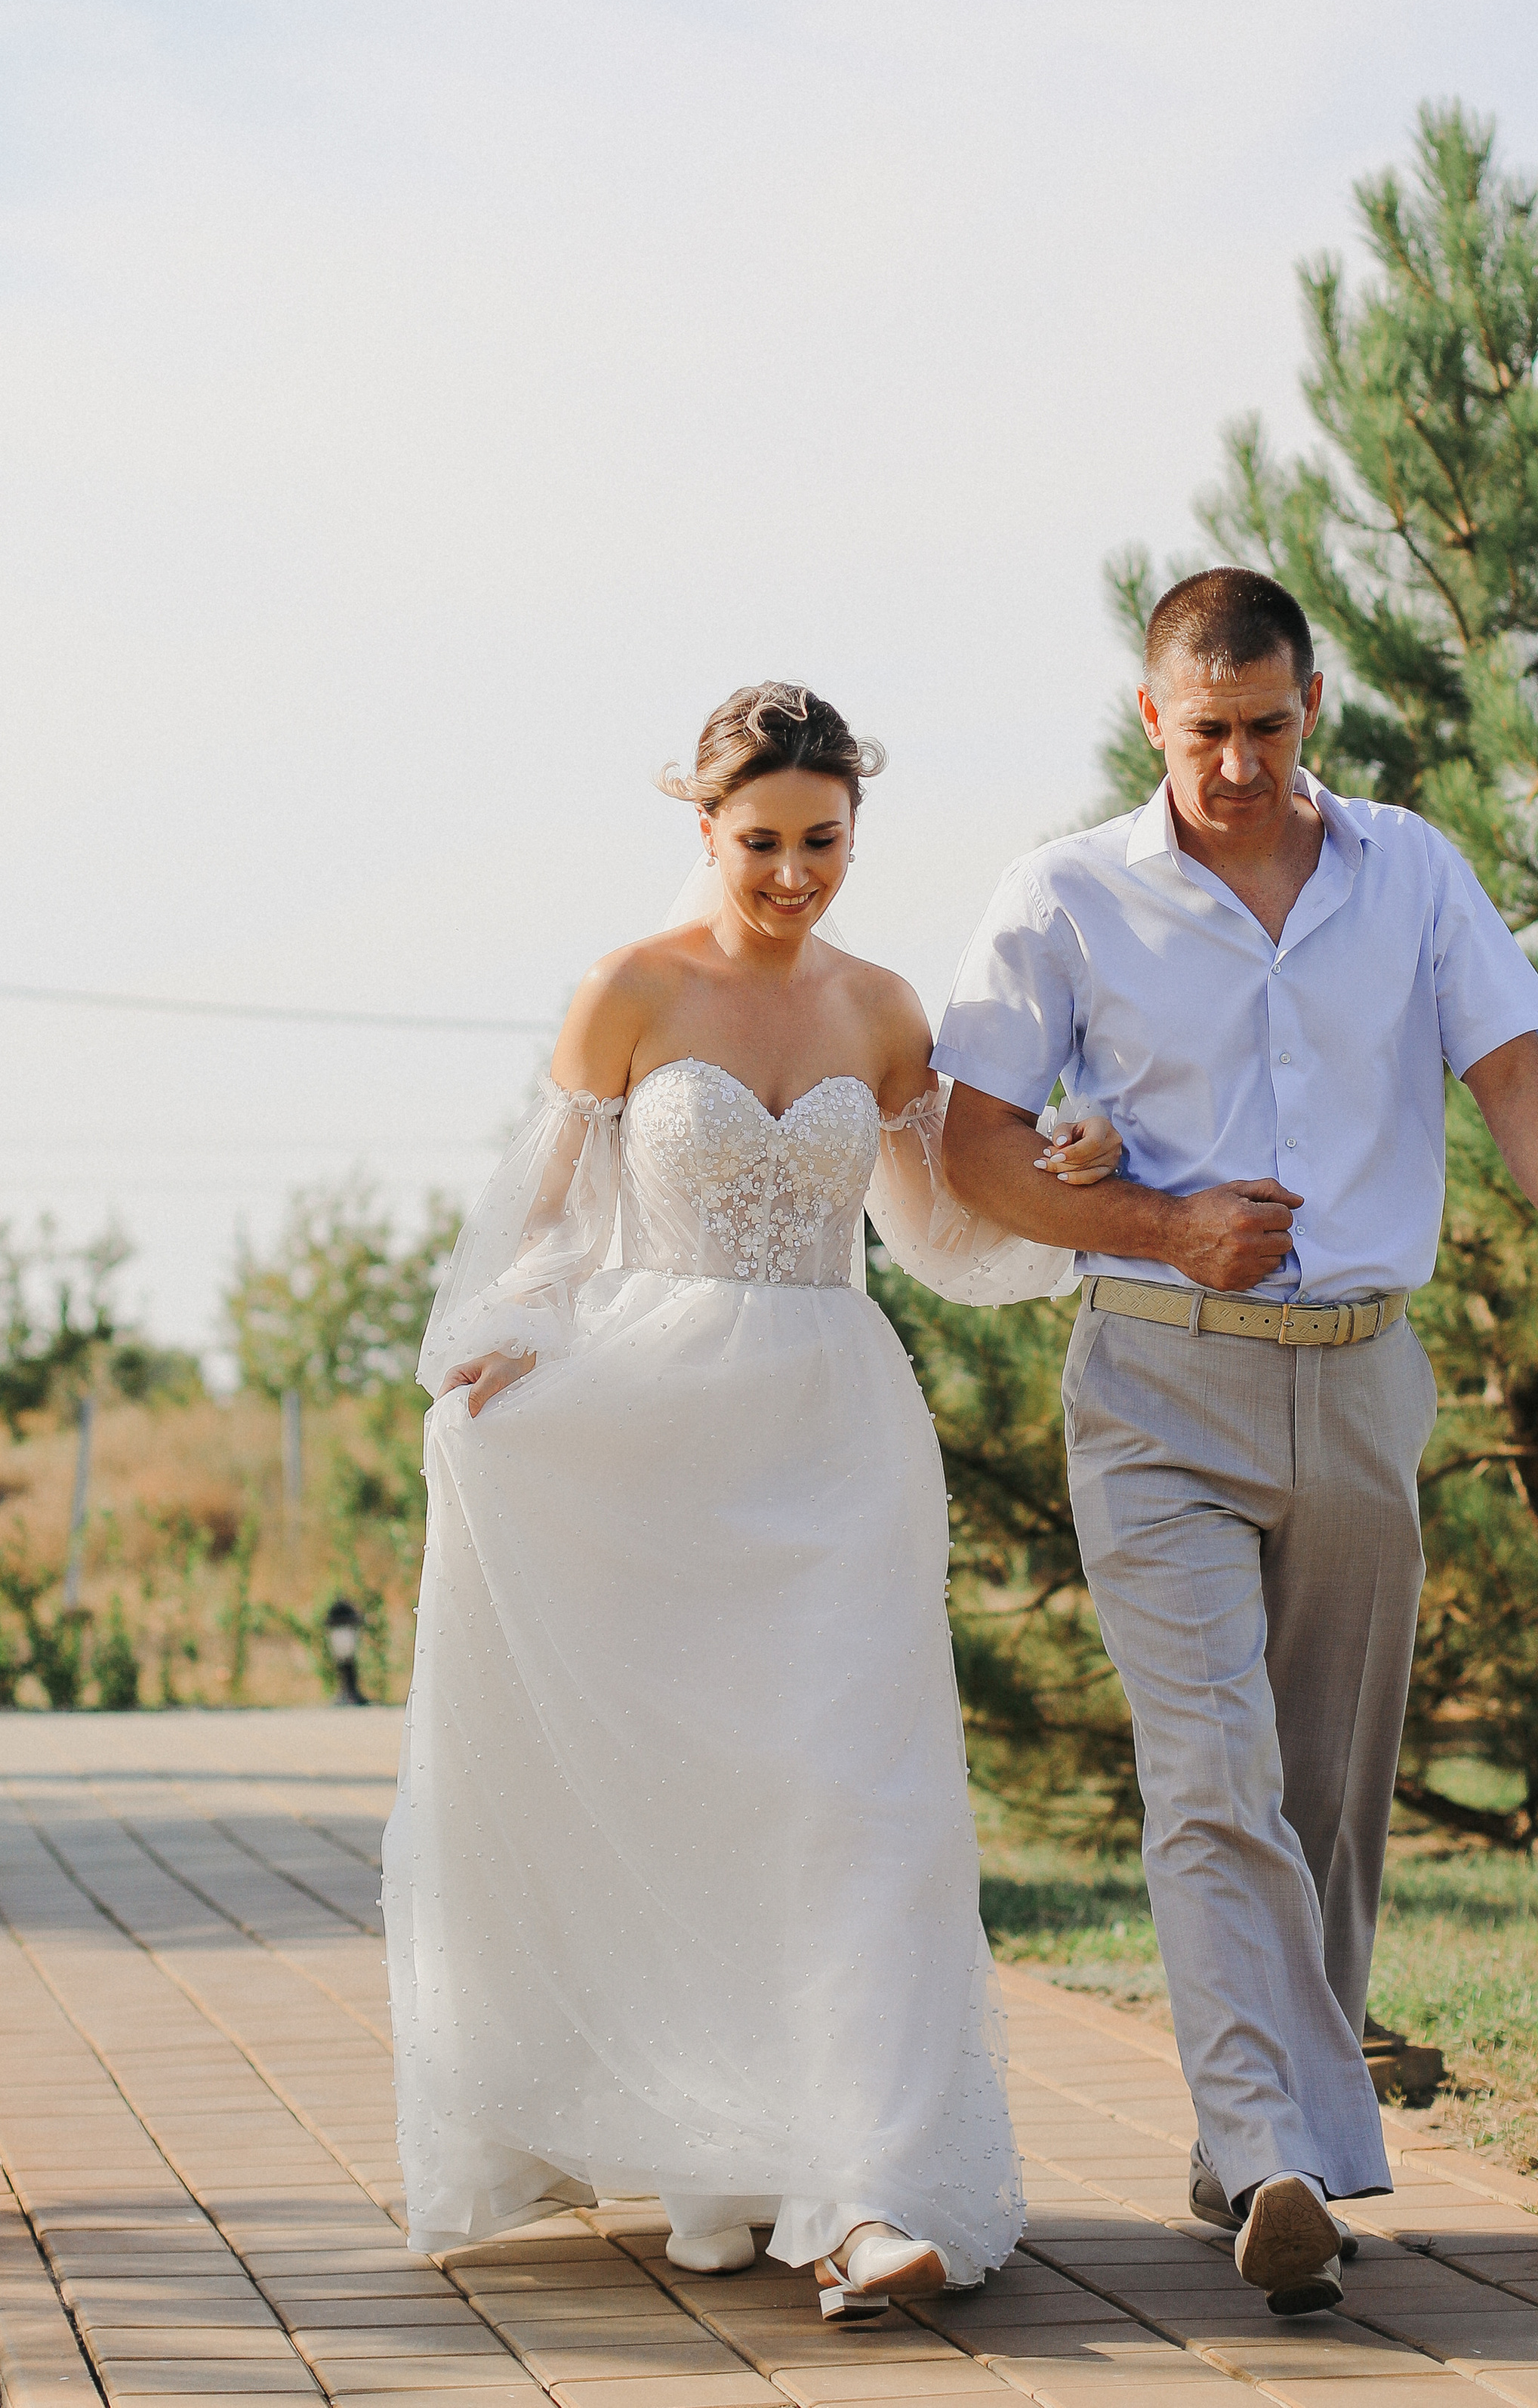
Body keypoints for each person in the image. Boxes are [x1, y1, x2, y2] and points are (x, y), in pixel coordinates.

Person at [933, 568, 1538, 2314]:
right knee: (1210, 1775)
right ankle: (1273, 2150)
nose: (1239, 765)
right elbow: (969, 1149)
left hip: (1356, 1380)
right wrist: (1162, 1230)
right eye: (1207, 734)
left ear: (1310, 705)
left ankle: (1256, 2143)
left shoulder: (1407, 869)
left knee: (1328, 1795)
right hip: (1157, 1380)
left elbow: (1510, 1070)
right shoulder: (1063, 896)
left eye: (1267, 729)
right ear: (1148, 718)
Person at [381, 682, 1122, 2318]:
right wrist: (501, 1354)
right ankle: (713, 2150)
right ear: (702, 828)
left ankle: (866, 2186)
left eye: (824, 841)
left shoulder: (879, 1009)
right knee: (696, 1793)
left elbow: (936, 1228)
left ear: (857, 829)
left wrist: (1065, 1190)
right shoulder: (626, 993)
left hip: (836, 1434)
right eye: (762, 842)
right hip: (651, 1430)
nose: (794, 873)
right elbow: (545, 1225)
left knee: (857, 1800)